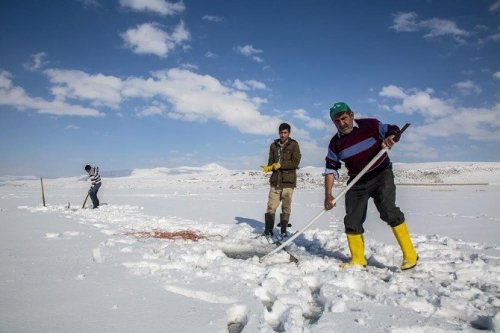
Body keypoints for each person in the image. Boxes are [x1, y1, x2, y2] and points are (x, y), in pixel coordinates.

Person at [323, 102, 418, 270]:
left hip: (381, 174)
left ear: (351, 115)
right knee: (352, 219)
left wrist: (390, 137)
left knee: (388, 210)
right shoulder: (335, 144)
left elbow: (392, 129)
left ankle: (410, 254)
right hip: (357, 180)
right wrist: (328, 195)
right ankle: (358, 259)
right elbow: (330, 169)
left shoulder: (370, 125)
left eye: (344, 118)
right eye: (337, 121)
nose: (342, 123)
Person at [261, 123, 301, 238]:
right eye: (281, 132)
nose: (283, 135)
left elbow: (295, 162)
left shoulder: (294, 145)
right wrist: (269, 167)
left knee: (286, 207)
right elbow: (271, 162)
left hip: (288, 182)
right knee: (270, 207)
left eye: (285, 132)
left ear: (289, 133)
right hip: (275, 181)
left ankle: (283, 231)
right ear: (278, 133)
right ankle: (268, 231)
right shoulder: (273, 145)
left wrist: (281, 165)